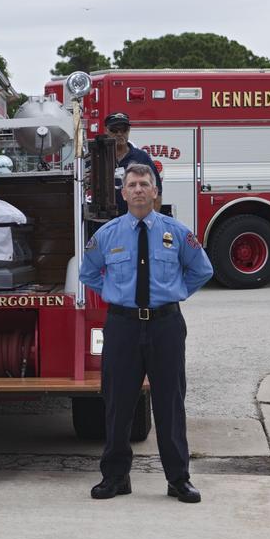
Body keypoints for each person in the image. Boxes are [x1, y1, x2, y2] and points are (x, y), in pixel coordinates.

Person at [79, 163, 213, 503]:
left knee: (170, 403)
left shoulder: (178, 232)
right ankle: (115, 477)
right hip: (122, 325)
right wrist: (115, 291)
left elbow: (201, 270)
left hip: (165, 325)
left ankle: (178, 480)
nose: (138, 189)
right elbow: (89, 272)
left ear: (155, 192)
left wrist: (173, 291)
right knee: (118, 403)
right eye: (132, 185)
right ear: (123, 193)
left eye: (144, 184)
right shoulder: (107, 234)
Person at [104, 112, 162, 215]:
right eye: (114, 130)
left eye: (124, 130)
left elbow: (157, 193)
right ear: (106, 130)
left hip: (135, 220)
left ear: (129, 131)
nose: (119, 134)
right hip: (103, 222)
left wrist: (151, 223)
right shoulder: (97, 157)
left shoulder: (142, 158)